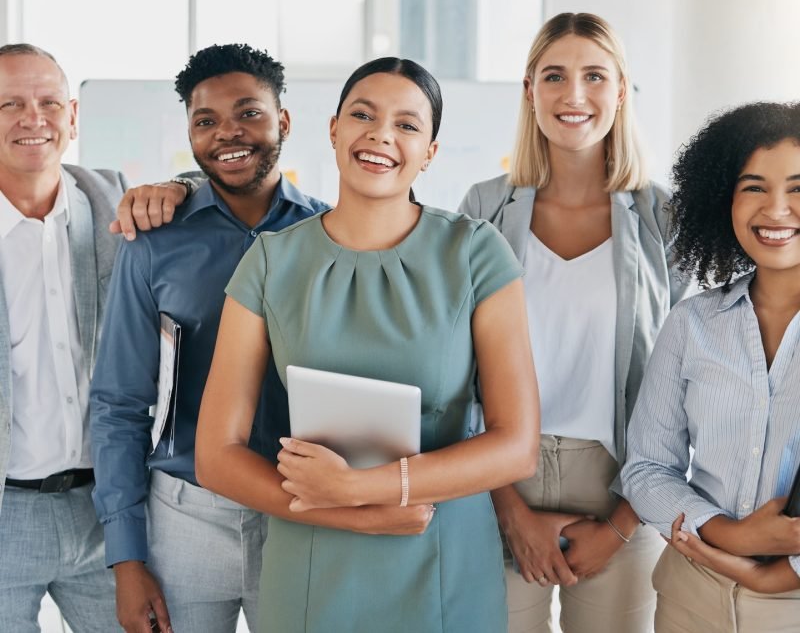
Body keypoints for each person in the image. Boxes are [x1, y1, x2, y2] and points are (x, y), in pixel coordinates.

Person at [194, 56, 539, 633]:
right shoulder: (270, 261)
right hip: (311, 562)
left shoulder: (476, 253)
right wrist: (354, 513)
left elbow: (517, 446)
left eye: (407, 125)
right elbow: (216, 456)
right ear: (333, 130)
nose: (381, 134)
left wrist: (361, 488)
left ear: (429, 152)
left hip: (444, 554)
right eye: (363, 115)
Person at [459, 12, 689, 633]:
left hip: (622, 485)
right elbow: (455, 370)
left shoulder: (664, 217)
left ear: (621, 90)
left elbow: (682, 383)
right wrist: (509, 511)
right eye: (555, 76)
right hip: (500, 477)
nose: (574, 95)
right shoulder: (483, 208)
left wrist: (621, 524)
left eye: (595, 76)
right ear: (530, 90)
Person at [89, 43, 329, 633]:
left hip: (301, 512)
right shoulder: (152, 243)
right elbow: (118, 404)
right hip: (183, 517)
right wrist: (126, 559)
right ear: (190, 134)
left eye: (249, 113)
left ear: (283, 121)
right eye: (206, 121)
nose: (228, 133)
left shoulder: (331, 235)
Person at [0, 42, 188, 632]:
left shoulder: (114, 202)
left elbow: (209, 189)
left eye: (49, 102)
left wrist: (181, 186)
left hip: (109, 508)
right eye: (9, 104)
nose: (33, 118)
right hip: (6, 515)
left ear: (73, 115)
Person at [621, 102, 800, 632]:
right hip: (689, 596)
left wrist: (778, 571)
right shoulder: (691, 323)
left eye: (798, 188)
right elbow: (646, 468)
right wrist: (726, 533)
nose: (776, 209)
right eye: (753, 187)